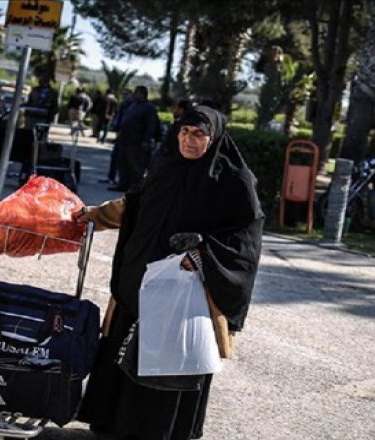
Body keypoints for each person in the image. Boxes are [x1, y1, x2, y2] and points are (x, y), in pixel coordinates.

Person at [75, 105, 264, 440]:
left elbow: (245, 237)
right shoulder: (165, 165)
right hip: (140, 282)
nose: (190, 140)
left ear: (214, 137)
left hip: (184, 292)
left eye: (199, 134)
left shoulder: (234, 180)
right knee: (122, 352)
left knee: (169, 361)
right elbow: (135, 205)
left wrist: (203, 250)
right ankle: (112, 423)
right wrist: (94, 215)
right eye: (185, 132)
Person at [109, 85, 157, 192]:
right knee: (123, 163)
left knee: (135, 167)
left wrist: (146, 140)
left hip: (137, 142)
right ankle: (123, 184)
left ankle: (135, 187)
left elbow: (151, 125)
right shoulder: (132, 105)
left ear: (142, 94)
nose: (134, 95)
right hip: (125, 140)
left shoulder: (148, 108)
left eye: (137, 93)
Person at [99, 89, 132, 185]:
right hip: (120, 134)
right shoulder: (124, 105)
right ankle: (111, 177)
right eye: (123, 94)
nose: (124, 96)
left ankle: (121, 180)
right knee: (115, 157)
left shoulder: (131, 106)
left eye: (126, 94)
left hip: (126, 136)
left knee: (121, 159)